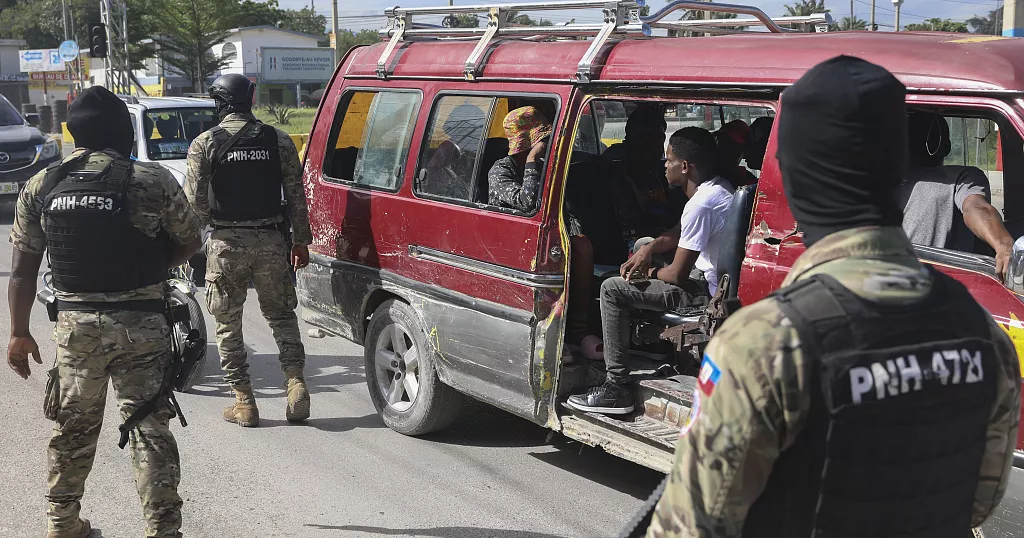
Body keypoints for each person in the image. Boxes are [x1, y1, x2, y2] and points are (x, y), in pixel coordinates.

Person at [645, 55, 1020, 538]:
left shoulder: (763, 344)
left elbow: (690, 525)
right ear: (894, 171)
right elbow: (982, 500)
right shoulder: (984, 334)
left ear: (795, 178)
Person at [7, 86, 202, 538]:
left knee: (73, 427)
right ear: (123, 131)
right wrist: (153, 265)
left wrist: (18, 333)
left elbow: (21, 271)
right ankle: (163, 530)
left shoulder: (44, 184)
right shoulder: (152, 179)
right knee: (149, 425)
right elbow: (191, 238)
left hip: (76, 330)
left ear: (74, 133)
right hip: (143, 325)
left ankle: (62, 524)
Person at [566, 127, 733, 415]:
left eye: (668, 161)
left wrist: (648, 273)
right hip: (713, 278)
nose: (663, 166)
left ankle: (617, 387)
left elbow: (678, 276)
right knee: (643, 243)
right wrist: (649, 249)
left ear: (684, 167)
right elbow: (678, 233)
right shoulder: (719, 189)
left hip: (703, 292)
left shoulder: (700, 205)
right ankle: (652, 346)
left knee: (612, 288)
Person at [184, 73, 313, 428]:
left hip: (226, 244)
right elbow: (297, 196)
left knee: (228, 325)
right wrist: (300, 240)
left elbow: (193, 205)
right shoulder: (280, 140)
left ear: (221, 103)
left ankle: (244, 402)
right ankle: (295, 383)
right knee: (282, 316)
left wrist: (196, 238)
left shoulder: (205, 143)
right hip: (272, 243)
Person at [900, 110, 1015, 279]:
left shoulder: (879, 181)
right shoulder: (961, 178)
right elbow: (975, 207)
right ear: (945, 146)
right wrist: (1003, 245)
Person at [487, 105, 552, 211]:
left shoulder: (542, 162)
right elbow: (526, 203)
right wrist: (532, 159)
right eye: (544, 140)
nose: (547, 144)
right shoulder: (500, 171)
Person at [714, 119, 757, 188]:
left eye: (733, 146)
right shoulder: (701, 173)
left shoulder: (747, 179)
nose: (725, 149)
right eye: (721, 141)